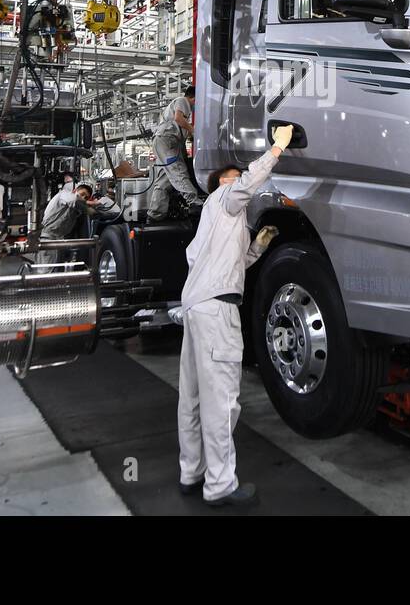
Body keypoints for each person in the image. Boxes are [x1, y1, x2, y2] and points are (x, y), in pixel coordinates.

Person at [176, 123, 292, 507]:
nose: (236, 181)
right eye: (230, 178)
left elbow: (232, 264)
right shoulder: (227, 198)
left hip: (195, 307)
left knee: (191, 397)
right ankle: (220, 485)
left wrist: (256, 248)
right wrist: (276, 149)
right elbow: (245, 184)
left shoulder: (218, 223)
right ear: (220, 184)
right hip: (217, 312)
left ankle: (191, 472)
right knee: (222, 400)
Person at [148, 85, 203, 220]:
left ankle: (155, 214)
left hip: (167, 142)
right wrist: (193, 130)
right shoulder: (183, 101)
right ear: (194, 98)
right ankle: (194, 203)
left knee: (164, 180)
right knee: (178, 171)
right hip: (167, 141)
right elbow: (178, 118)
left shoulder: (185, 112)